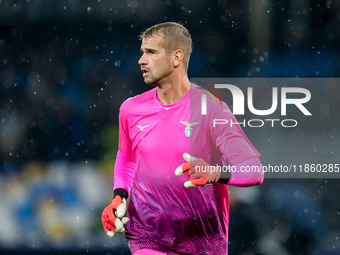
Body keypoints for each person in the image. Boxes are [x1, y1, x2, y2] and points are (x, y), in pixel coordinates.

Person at [101, 22, 264, 255]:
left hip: (204, 240)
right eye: (142, 52)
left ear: (176, 58)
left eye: (151, 52)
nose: (141, 60)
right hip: (148, 236)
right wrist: (119, 197)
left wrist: (216, 173)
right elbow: (127, 157)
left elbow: (254, 170)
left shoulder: (211, 109)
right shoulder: (131, 109)